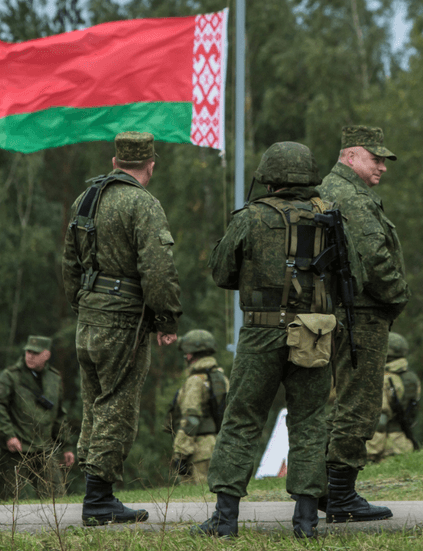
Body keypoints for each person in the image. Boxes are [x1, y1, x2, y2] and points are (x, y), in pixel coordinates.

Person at [198, 141, 361, 539]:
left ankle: (225, 519)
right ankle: (306, 523)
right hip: (315, 333)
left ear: (269, 177)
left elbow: (220, 272)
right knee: (310, 422)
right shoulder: (330, 218)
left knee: (241, 420)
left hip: (261, 331)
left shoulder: (251, 217)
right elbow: (354, 275)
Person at [62, 131, 182, 526]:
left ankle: (97, 492)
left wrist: (82, 303)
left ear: (115, 163)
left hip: (89, 317)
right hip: (122, 320)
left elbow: (69, 263)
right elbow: (158, 268)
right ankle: (98, 502)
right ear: (150, 165)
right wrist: (166, 319)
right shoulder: (143, 204)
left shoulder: (87, 198)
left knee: (94, 403)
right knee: (117, 406)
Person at [316, 125, 410, 523]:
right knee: (360, 401)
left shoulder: (324, 189)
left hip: (335, 310)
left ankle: (324, 489)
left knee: (334, 400)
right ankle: (341, 496)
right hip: (361, 313)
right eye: (376, 159)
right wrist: (397, 296)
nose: (383, 167)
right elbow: (374, 256)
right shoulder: (351, 196)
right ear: (351, 156)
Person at [0, 335, 74, 501]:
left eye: (35, 353)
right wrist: (8, 435)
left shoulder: (54, 378)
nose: (30, 355)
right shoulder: (10, 376)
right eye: (28, 351)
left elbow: (58, 415)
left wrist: (66, 445)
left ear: (46, 355)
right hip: (17, 449)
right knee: (8, 501)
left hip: (44, 449)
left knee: (56, 498)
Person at [169, 329, 228, 486]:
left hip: (197, 452)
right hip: (218, 447)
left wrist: (180, 454)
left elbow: (191, 420)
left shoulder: (195, 380)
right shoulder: (221, 378)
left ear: (189, 354)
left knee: (195, 501)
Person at [366, 332, 421, 462]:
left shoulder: (385, 379)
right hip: (404, 443)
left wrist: (370, 452)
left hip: (386, 447)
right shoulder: (411, 378)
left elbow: (380, 419)